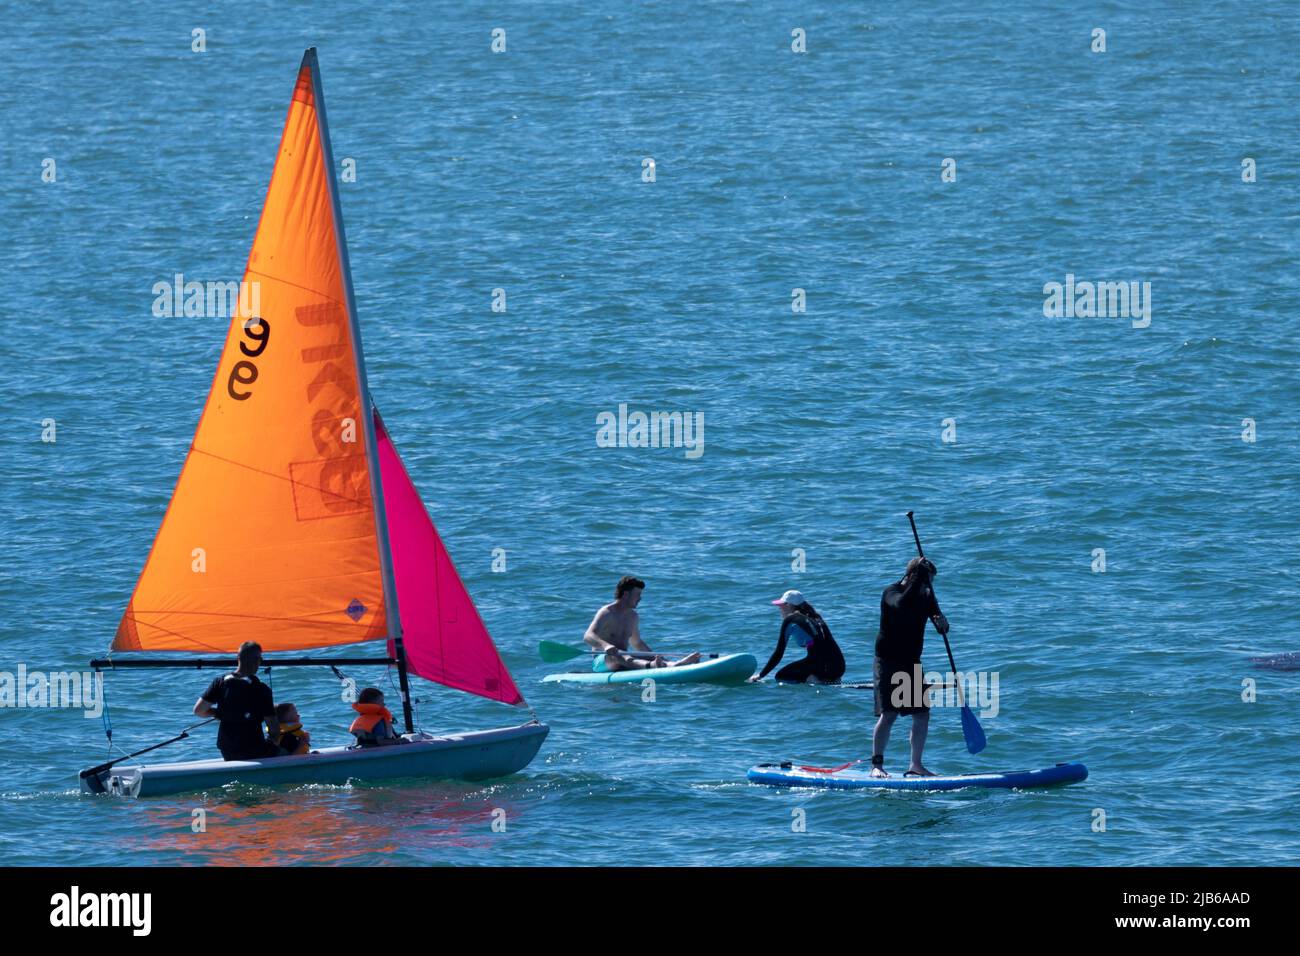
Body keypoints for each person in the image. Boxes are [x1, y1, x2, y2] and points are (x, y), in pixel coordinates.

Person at [870, 557, 949, 778]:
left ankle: (915, 765)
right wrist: (919, 578)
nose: (929, 586)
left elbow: (940, 624)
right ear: (914, 577)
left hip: (911, 661)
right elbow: (901, 605)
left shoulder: (926, 596)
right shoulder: (891, 592)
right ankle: (877, 766)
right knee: (889, 714)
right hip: (887, 661)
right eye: (927, 580)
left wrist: (943, 624)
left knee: (922, 714)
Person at [583, 575, 701, 672]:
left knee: (643, 655)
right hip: (603, 662)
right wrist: (606, 646)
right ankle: (652, 666)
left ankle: (673, 664)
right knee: (618, 655)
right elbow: (588, 636)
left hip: (625, 659)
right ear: (626, 595)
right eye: (637, 595)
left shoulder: (633, 616)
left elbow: (637, 643)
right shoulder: (607, 612)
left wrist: (656, 657)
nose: (640, 598)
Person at [193, 641, 281, 761]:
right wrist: (275, 746)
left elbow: (199, 711)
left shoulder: (220, 682)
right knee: (291, 746)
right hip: (255, 751)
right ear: (257, 661)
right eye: (260, 659)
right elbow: (274, 729)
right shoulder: (261, 689)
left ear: (238, 658)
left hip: (227, 751)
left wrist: (218, 713)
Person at [750, 590, 845, 684]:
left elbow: (779, 653)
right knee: (817, 661)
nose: (780, 609)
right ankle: (830, 679)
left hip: (822, 667)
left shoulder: (791, 619)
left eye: (781, 606)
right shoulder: (817, 618)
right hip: (839, 667)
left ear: (788, 605)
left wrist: (761, 675)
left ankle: (815, 679)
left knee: (782, 676)